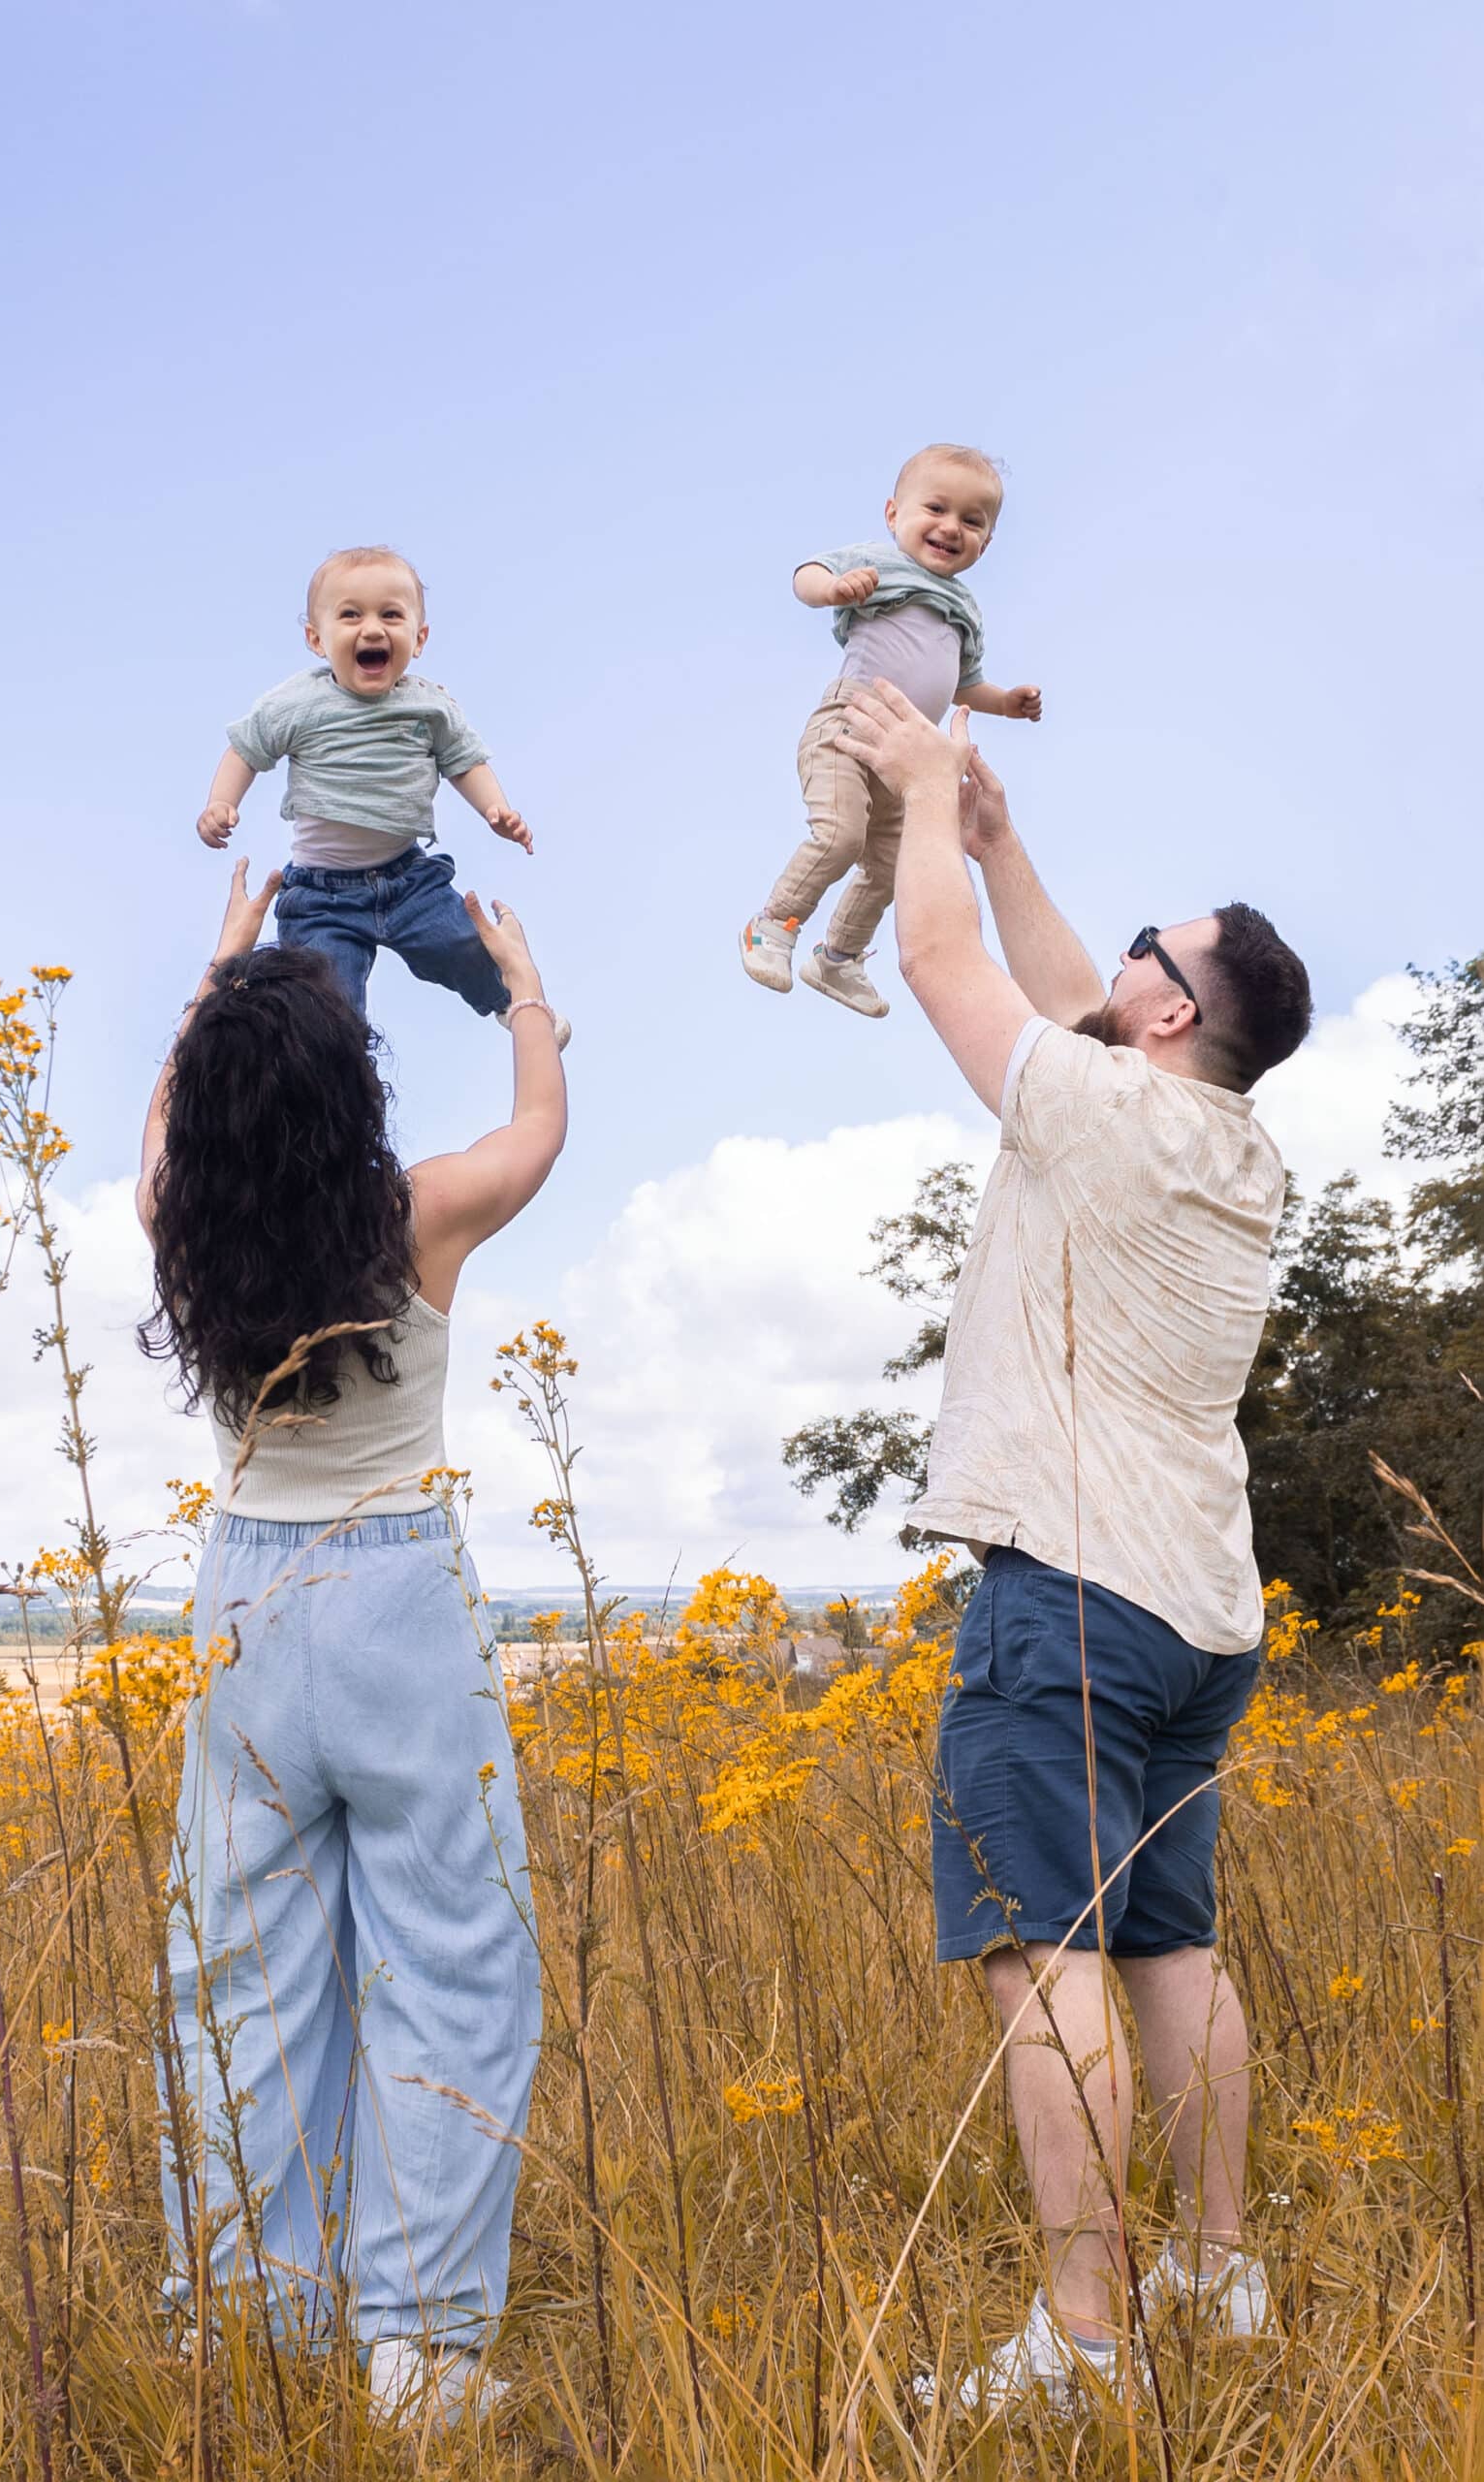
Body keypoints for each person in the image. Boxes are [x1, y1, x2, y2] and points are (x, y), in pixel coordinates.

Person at [835, 679, 1312, 2418]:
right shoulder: (1228, 1142)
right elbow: (1059, 996)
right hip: (1198, 1610)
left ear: (1171, 1010)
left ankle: (1084, 2344)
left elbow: (951, 977)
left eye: (1137, 953)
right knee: (1173, 1949)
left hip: (1078, 1600)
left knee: (1051, 1954)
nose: (1107, 967)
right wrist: (1008, 840)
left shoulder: (1106, 1115)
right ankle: (1216, 2271)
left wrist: (918, 787)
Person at [136, 856, 567, 2427]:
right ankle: (421, 2355)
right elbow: (537, 1132)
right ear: (348, 1091)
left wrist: (218, 966)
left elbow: (180, 1125)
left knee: (240, 1977)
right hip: (397, 1601)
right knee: (452, 1967)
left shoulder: (177, 1218)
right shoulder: (420, 1213)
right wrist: (521, 990)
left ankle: (247, 2323)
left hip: (244, 1608)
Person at [196, 544, 568, 1043]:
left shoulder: (428, 706)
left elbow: (464, 760)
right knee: (326, 1003)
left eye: (391, 615)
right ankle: (336, 1079)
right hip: (321, 897)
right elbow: (245, 750)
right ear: (315, 638)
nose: (372, 629)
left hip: (410, 880)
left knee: (464, 943)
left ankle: (511, 1002)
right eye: (350, 615)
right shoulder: (297, 703)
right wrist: (222, 802)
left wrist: (495, 809)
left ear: (419, 638)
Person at [740, 444, 1041, 1020]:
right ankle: (772, 925)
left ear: (988, 541)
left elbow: (963, 682)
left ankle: (839, 957)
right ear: (893, 514)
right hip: (849, 725)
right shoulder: (881, 563)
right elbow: (808, 573)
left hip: (904, 753)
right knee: (840, 835)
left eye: (971, 520)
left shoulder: (966, 609)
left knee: (894, 862)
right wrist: (832, 590)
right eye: (936, 508)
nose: (951, 527)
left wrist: (1004, 702)